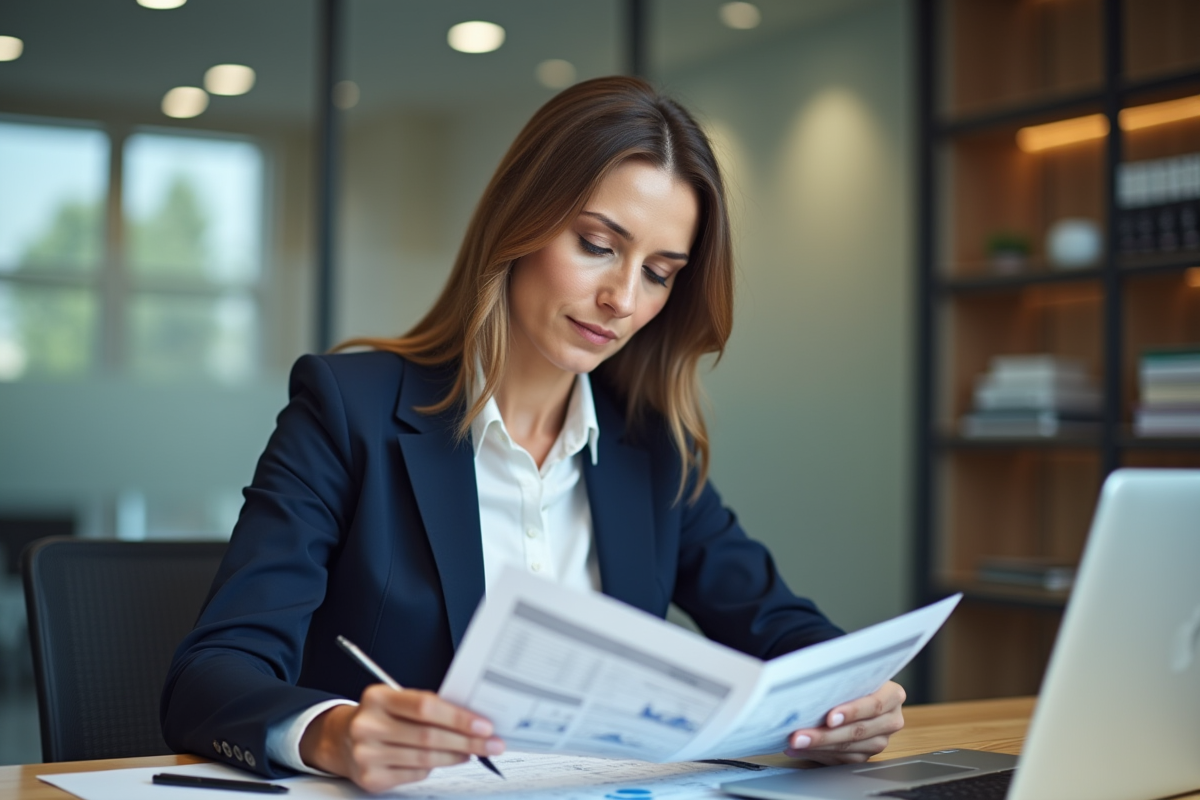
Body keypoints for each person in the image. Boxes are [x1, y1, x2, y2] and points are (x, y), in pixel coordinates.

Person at [161, 76, 906, 793]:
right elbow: (210, 676)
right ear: (521, 220)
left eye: (660, 271)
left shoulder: (649, 449)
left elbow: (778, 624)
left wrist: (851, 700)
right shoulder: (346, 410)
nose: (621, 299)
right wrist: (335, 733)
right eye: (596, 244)